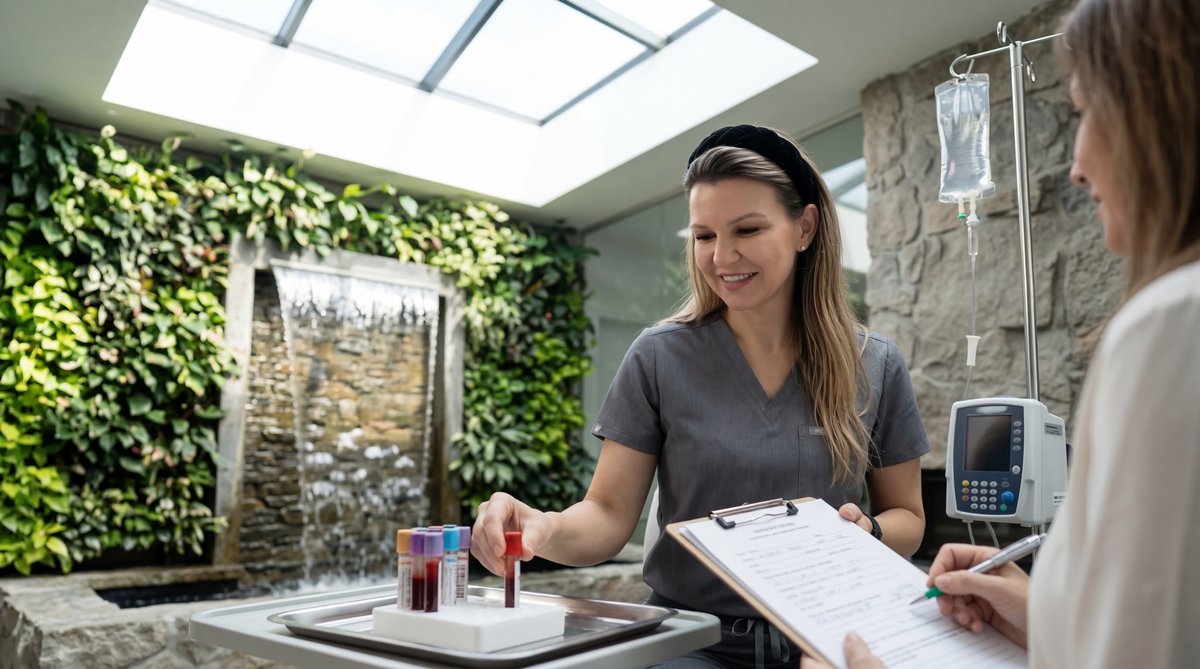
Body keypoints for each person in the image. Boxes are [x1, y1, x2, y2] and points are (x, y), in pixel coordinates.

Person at [801, 0, 1200, 667]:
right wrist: (1049, 620)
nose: (1076, 165)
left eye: (1084, 113)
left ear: (1159, 117)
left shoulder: (1170, 327)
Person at [472, 124, 929, 668]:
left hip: (828, 642)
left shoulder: (874, 363)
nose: (722, 257)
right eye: (704, 236)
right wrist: (542, 526)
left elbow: (908, 517)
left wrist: (869, 531)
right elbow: (608, 516)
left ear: (804, 227)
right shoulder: (659, 357)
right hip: (689, 644)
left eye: (748, 229)